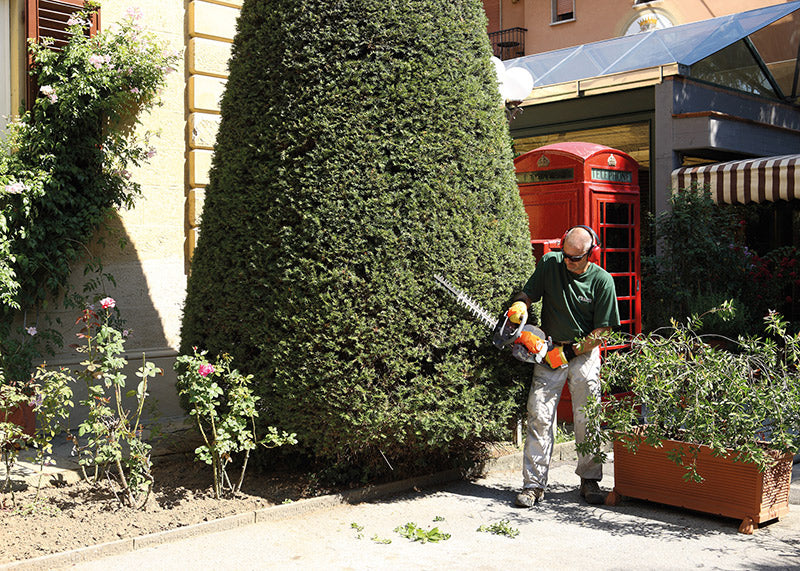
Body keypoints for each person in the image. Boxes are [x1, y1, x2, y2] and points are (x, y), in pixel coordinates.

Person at [507, 225, 620, 507]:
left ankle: (590, 480)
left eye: (575, 258)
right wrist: (520, 305)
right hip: (550, 349)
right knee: (539, 415)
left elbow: (602, 331)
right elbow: (529, 292)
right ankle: (533, 485)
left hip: (583, 353)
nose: (568, 262)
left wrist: (570, 352)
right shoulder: (550, 263)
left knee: (587, 417)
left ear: (591, 254)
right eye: (565, 255)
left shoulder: (602, 282)